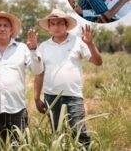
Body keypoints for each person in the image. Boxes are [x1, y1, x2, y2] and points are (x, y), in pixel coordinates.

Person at [34, 9, 103, 146]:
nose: (56, 27)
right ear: (49, 28)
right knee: (57, 133)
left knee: (79, 133)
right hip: (51, 97)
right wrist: (36, 98)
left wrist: (90, 44)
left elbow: (98, 62)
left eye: (60, 23)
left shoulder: (78, 42)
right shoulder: (43, 46)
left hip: (73, 96)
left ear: (66, 26)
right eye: (53, 24)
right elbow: (39, 73)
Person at [0, 12, 43, 148]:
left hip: (17, 108)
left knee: (20, 146)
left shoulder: (22, 48)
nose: (2, 28)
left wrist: (34, 49)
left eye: (6, 25)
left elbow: (37, 70)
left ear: (11, 30)